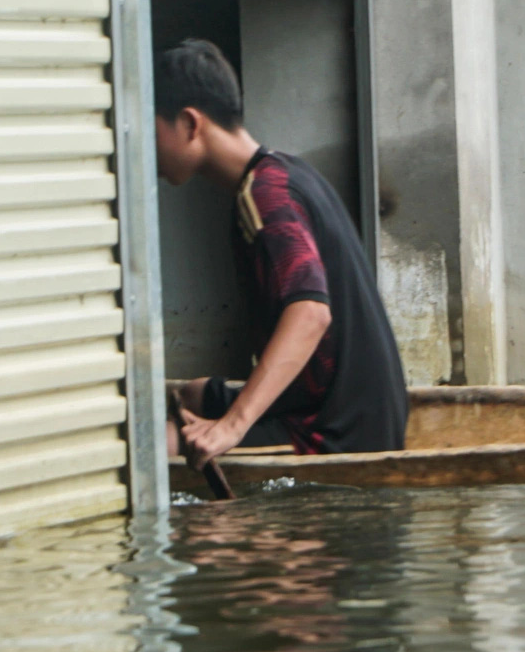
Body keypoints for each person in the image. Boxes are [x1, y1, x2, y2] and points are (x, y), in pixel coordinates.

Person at [153, 38, 408, 464]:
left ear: (189, 124)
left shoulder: (265, 196)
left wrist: (231, 426)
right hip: (348, 408)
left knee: (155, 445)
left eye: (151, 129)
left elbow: (310, 312)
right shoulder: (285, 172)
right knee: (191, 393)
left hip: (337, 431)